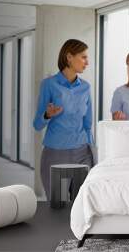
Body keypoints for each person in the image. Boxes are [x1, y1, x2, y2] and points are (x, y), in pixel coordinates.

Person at [33, 39, 93, 200]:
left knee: (81, 205)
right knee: (58, 208)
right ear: (69, 57)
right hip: (56, 155)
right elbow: (37, 124)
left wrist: (92, 150)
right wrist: (47, 115)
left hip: (83, 154)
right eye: (83, 57)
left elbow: (88, 124)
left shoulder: (86, 87)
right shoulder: (49, 85)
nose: (87, 62)